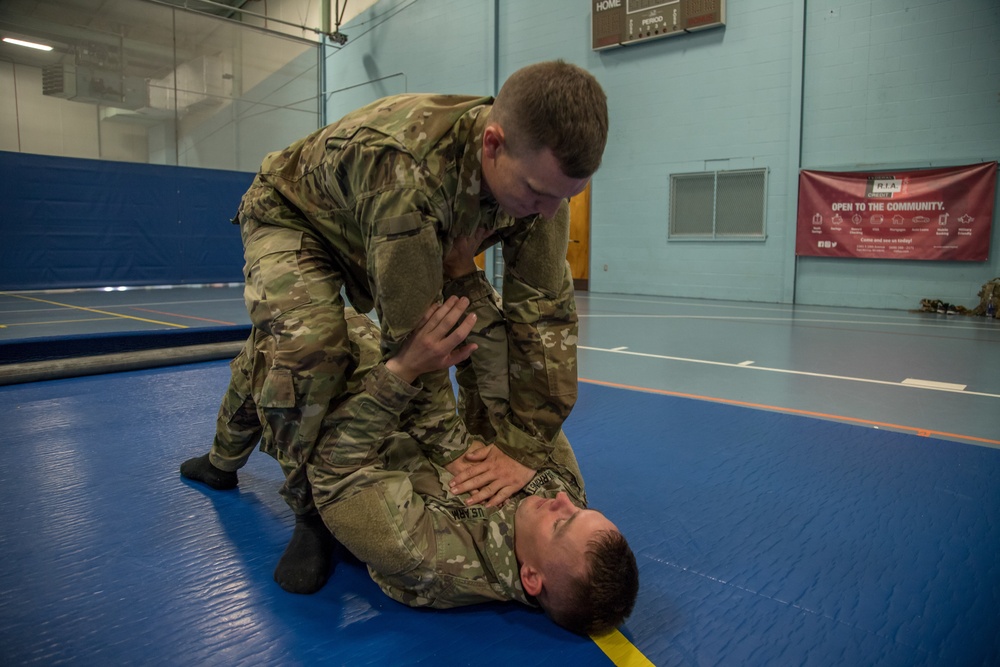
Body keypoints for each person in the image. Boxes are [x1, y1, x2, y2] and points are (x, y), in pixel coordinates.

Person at [182, 59, 610, 591]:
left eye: (565, 197)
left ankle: (244, 408)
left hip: (394, 230)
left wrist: (522, 444)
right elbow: (416, 341)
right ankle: (308, 508)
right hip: (300, 218)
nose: (547, 215)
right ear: (494, 145)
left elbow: (546, 318)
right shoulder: (404, 171)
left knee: (479, 329)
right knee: (312, 348)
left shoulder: (540, 186)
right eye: (536, 194)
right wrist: (455, 456)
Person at [200, 295, 639, 636]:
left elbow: (335, 468)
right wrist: (461, 277)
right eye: (579, 511)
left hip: (346, 451)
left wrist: (404, 369)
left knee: (287, 340)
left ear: (530, 576)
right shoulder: (561, 496)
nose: (561, 499)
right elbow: (508, 402)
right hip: (415, 410)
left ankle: (295, 510)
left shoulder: (429, 558)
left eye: (562, 524)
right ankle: (222, 462)